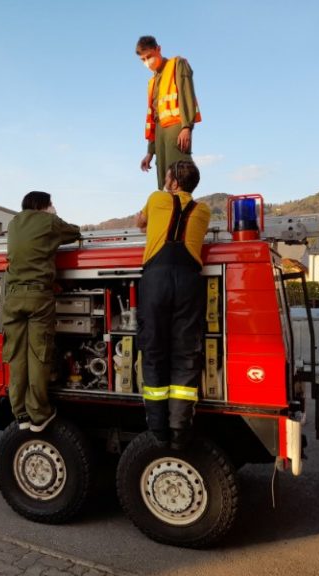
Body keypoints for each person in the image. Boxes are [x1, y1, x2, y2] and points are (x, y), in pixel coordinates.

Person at [134, 160, 211, 449]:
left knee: (154, 349)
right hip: (189, 281)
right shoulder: (203, 211)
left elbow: (139, 224)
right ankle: (179, 428)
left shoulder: (156, 198)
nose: (164, 179)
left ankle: (158, 430)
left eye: (167, 176)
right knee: (185, 352)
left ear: (174, 183)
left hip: (156, 280)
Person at [2, 192, 81, 432]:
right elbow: (75, 232)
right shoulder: (48, 222)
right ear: (42, 206)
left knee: (17, 357)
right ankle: (39, 414)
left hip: (12, 298)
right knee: (38, 355)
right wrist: (53, 217)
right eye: (51, 204)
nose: (54, 207)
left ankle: (20, 413)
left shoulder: (13, 223)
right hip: (38, 297)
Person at [136, 35, 201, 190]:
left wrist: (187, 127)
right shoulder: (152, 83)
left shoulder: (177, 64)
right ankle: (167, 212)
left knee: (178, 175)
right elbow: (153, 116)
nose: (147, 62)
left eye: (149, 56)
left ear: (158, 49)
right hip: (159, 133)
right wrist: (150, 151)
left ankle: (182, 212)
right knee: (163, 180)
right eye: (143, 59)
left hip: (176, 127)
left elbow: (186, 94)